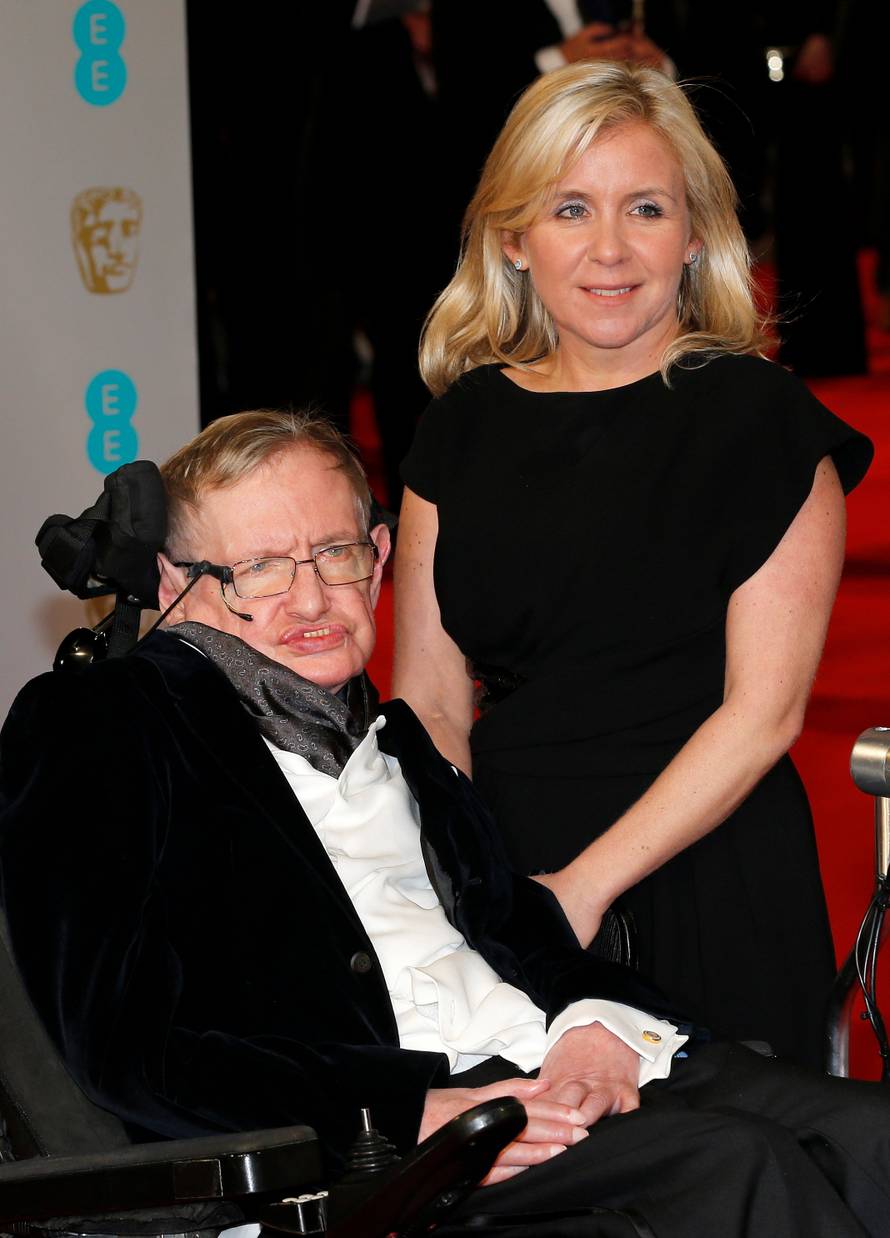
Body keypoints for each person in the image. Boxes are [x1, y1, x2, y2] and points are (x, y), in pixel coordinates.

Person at [1, 411, 888, 1237]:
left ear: (381, 557)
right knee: (736, 1167)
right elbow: (130, 1051)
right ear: (174, 581)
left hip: (560, 1059)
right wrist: (407, 1109)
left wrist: (601, 1027)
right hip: (385, 1143)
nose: (309, 602)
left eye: (337, 554)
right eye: (262, 569)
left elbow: (522, 935)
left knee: (873, 1137)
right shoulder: (104, 724)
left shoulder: (401, 743)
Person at [393, 60, 874, 1068]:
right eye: (570, 208)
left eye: (644, 208)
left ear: (693, 234)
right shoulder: (458, 430)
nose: (608, 248)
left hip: (706, 867)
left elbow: (762, 713)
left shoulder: (760, 424)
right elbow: (431, 697)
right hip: (514, 873)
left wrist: (583, 884)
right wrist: (459, 878)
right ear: (513, 238)